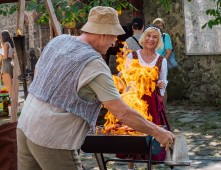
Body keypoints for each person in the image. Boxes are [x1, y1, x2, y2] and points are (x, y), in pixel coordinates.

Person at [17, 6, 174, 170]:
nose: (114, 42)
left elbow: (37, 75)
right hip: (52, 137)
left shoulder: (58, 41)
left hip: (25, 124)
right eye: (113, 36)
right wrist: (157, 131)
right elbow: (122, 112)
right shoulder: (93, 63)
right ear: (102, 34)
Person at [117, 25, 171, 170]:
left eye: (155, 37)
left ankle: (150, 167)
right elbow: (125, 79)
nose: (151, 39)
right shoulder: (132, 56)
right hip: (135, 99)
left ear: (158, 41)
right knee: (132, 133)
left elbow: (164, 81)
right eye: (148, 36)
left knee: (152, 135)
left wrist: (161, 84)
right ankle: (130, 167)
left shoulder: (161, 60)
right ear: (143, 37)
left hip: (152, 102)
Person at [153, 18, 173, 107]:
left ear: (163, 26)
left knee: (162, 85)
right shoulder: (152, 36)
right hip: (151, 63)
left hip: (160, 63)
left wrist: (162, 62)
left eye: (160, 25)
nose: (158, 27)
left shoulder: (165, 36)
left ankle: (163, 108)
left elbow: (169, 51)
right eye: (156, 25)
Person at [0, 30, 14, 98]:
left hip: (6, 63)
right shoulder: (10, 44)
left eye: (1, 36)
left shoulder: (6, 44)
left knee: (8, 84)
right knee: (9, 83)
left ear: (3, 36)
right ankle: (12, 98)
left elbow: (5, 56)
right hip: (9, 62)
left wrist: (1, 57)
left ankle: (12, 100)